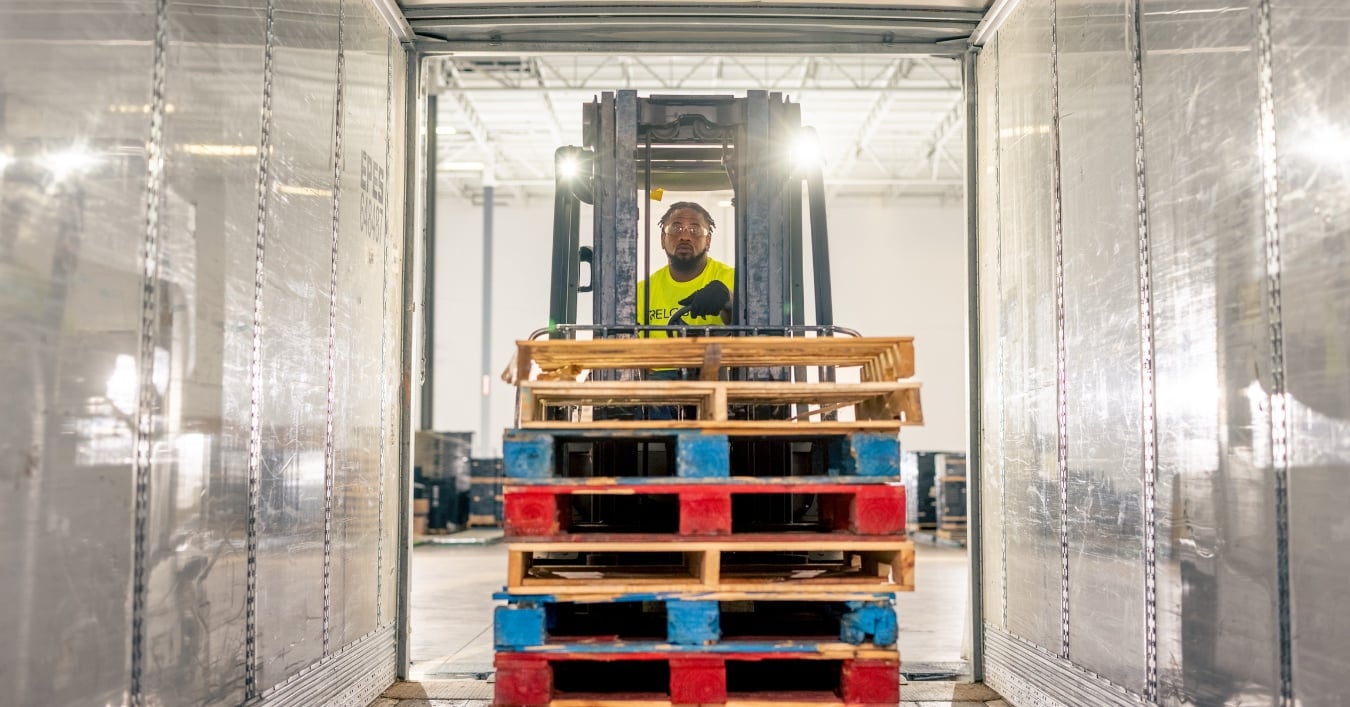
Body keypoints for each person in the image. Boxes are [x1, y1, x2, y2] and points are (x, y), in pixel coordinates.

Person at [636, 201, 734, 336]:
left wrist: (729, 300)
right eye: (676, 229)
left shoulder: (734, 279)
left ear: (708, 241)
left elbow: (755, 327)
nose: (685, 237)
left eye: (695, 230)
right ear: (663, 239)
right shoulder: (641, 293)